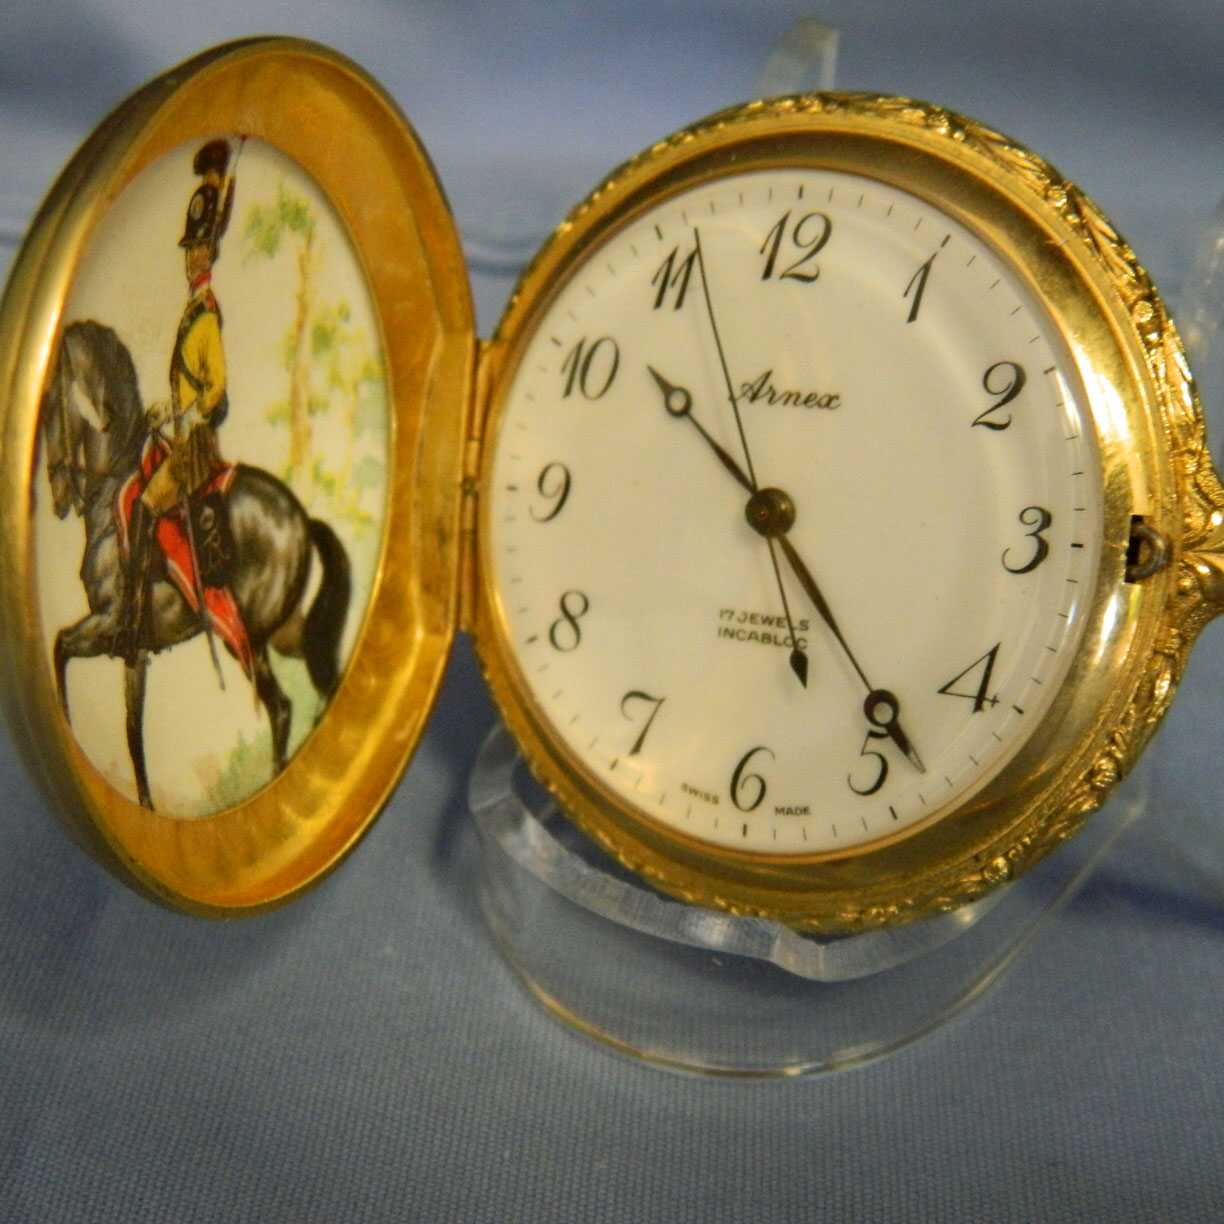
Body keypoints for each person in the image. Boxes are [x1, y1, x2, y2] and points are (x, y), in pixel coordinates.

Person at [116, 139, 235, 663]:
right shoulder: (192, 310)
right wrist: (165, 412)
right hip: (180, 432)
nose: (190, 259)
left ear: (208, 254)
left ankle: (134, 620)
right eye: (189, 251)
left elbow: (216, 388)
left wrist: (180, 412)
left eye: (197, 250)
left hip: (196, 445)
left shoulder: (206, 319)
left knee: (144, 509)